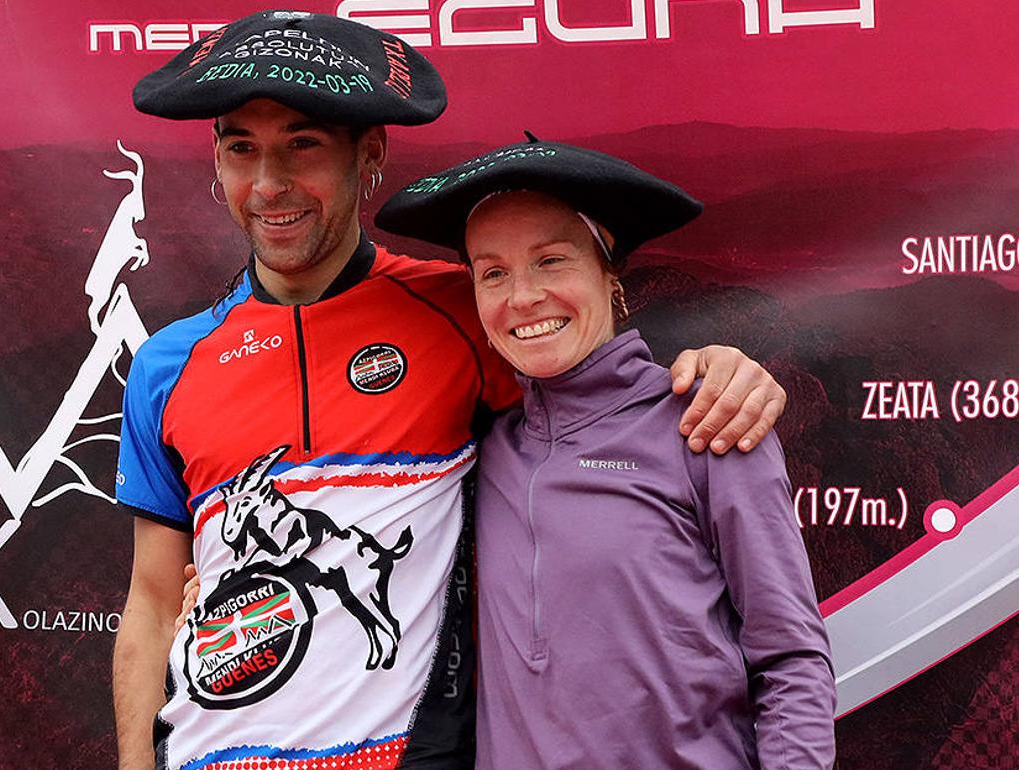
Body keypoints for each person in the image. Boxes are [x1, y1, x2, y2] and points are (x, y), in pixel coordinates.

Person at [115, 11, 789, 770]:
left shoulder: (464, 309)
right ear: (217, 163)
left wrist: (724, 369)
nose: (270, 185)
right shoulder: (167, 365)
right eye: (242, 149)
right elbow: (150, 601)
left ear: (367, 155)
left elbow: (585, 377)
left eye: (302, 145)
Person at [374, 138, 836, 768]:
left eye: (552, 261)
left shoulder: (704, 425)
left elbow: (792, 660)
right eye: (493, 273)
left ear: (609, 275)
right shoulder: (479, 452)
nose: (524, 296)